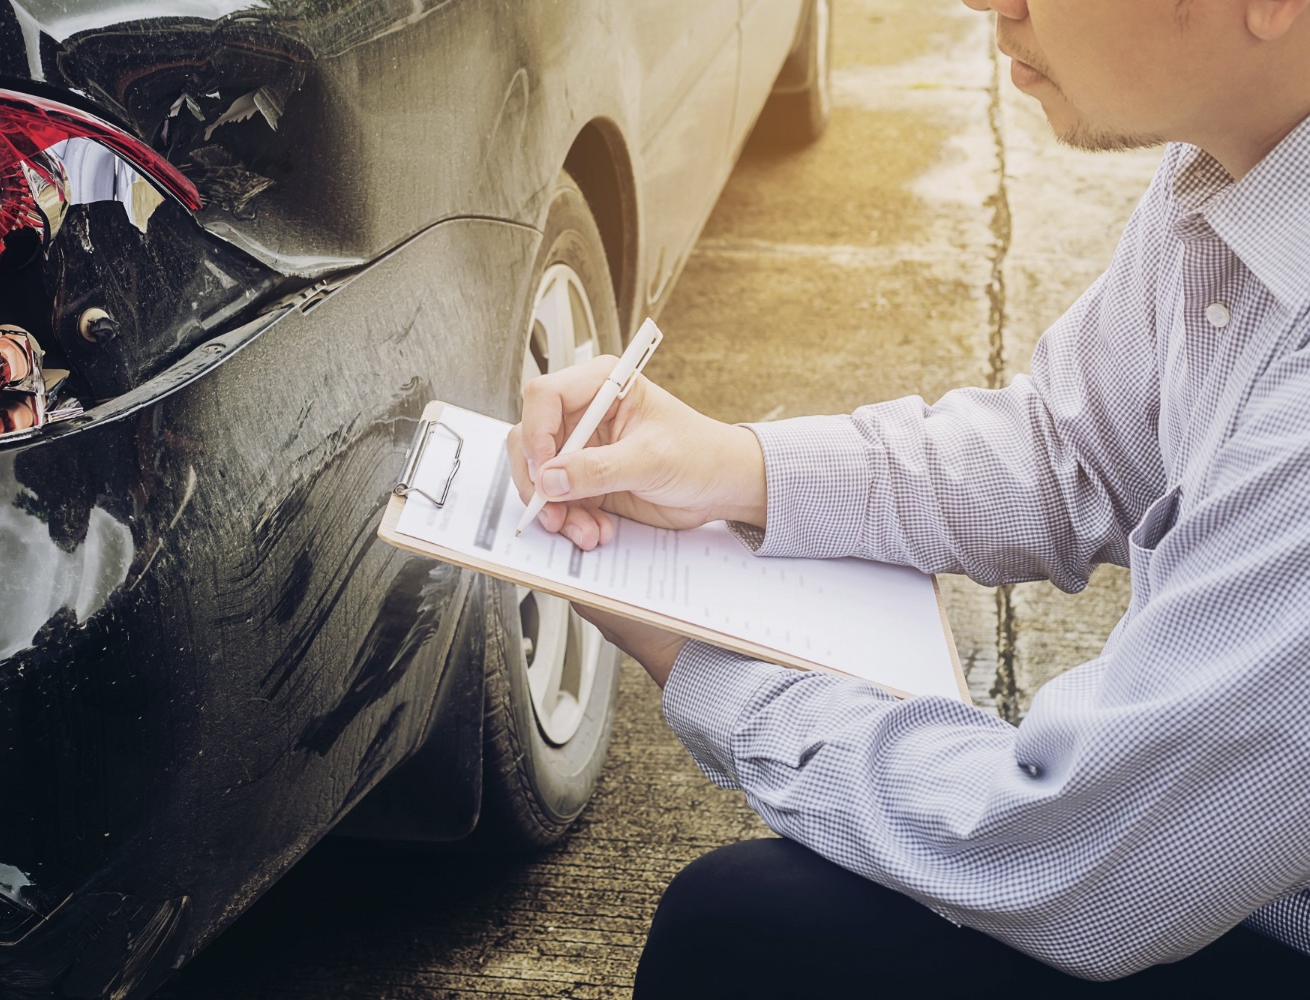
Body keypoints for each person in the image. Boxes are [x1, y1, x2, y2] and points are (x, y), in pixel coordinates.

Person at [507, 0, 1310, 995]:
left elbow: (1075, 855)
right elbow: (1075, 449)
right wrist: (733, 467)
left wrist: (707, 664)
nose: (985, 3)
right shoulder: (1236, 166)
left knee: (739, 934)